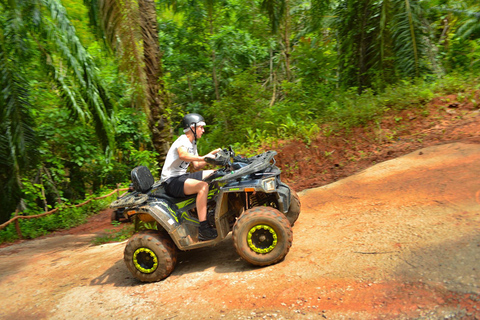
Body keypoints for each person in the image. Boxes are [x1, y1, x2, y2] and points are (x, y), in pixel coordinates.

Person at [160, 113, 221, 241]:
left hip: (182, 176)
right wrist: (202, 157)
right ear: (192, 127)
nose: (203, 130)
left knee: (216, 174)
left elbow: (198, 165)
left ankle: (214, 210)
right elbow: (183, 155)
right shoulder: (182, 141)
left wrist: (212, 155)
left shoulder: (192, 143)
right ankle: (203, 229)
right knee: (203, 187)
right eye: (201, 127)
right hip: (171, 181)